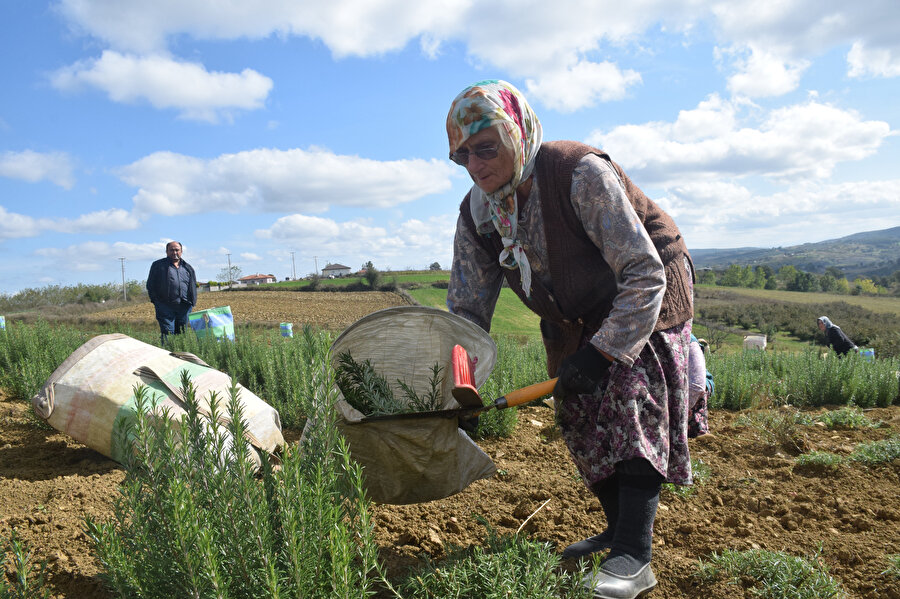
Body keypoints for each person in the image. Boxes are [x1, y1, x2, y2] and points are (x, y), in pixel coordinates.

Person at [445, 80, 694, 599]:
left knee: (628, 396)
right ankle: (615, 527)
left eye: (486, 146)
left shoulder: (577, 173)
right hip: (571, 309)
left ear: (518, 134)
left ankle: (634, 554)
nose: (475, 163)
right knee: (577, 411)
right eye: (462, 153)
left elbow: (644, 272)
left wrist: (604, 353)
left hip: (641, 287)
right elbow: (466, 312)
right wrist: (460, 386)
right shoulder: (478, 215)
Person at [146, 241, 197, 344]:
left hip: (184, 306)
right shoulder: (158, 265)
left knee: (182, 333)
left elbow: (193, 285)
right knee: (168, 332)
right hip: (165, 306)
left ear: (181, 251)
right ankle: (168, 356)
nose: (174, 252)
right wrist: (156, 301)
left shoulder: (187, 267)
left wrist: (192, 302)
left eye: (177, 250)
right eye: (171, 250)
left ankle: (180, 357)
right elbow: (150, 284)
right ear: (166, 251)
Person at [687, 335, 712, 437]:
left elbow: (697, 386)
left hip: (696, 386)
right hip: (683, 385)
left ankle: (699, 431)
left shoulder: (690, 341)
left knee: (695, 432)